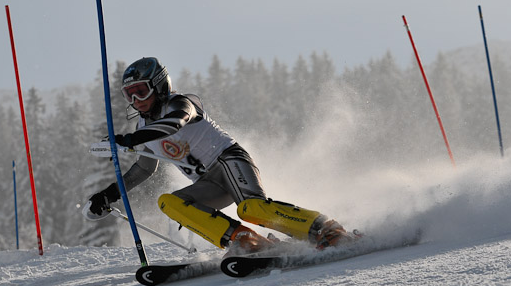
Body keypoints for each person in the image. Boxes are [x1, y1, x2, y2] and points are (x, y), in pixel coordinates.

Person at [88, 57, 350, 254]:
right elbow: (144, 169)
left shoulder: (181, 103)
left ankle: (324, 228)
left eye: (141, 91)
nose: (136, 100)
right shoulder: (143, 128)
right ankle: (246, 241)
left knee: (250, 207)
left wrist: (130, 140)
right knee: (169, 202)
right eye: (129, 95)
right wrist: (109, 194)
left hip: (229, 161)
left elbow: (174, 124)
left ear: (158, 85)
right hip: (209, 183)